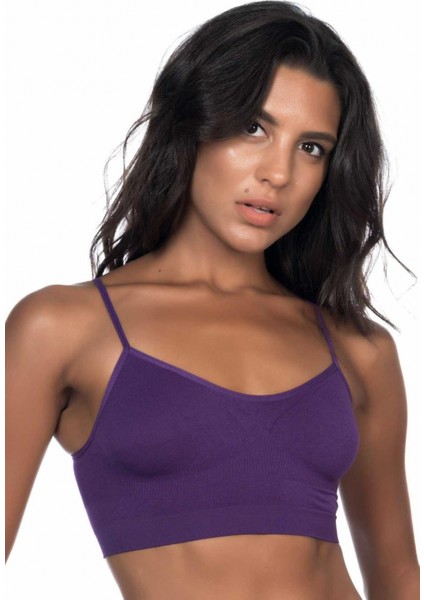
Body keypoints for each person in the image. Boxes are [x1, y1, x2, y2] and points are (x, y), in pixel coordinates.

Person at [5, 1, 420, 598]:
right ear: (191, 122)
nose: (279, 173)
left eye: (311, 148)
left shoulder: (358, 347)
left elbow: (398, 574)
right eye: (254, 128)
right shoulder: (61, 327)